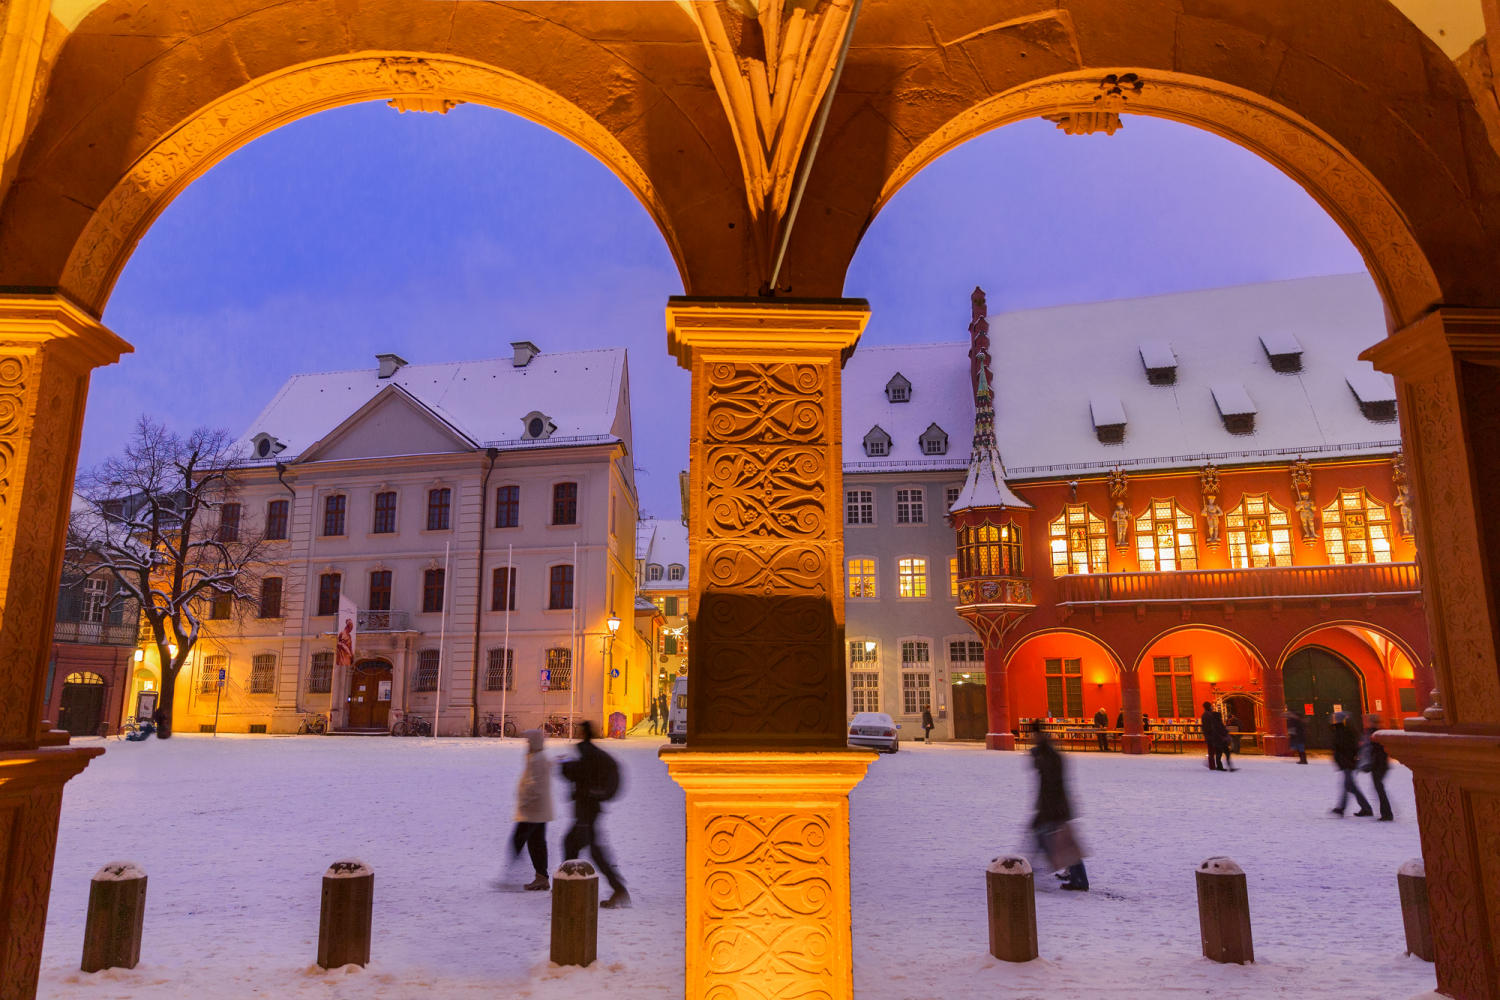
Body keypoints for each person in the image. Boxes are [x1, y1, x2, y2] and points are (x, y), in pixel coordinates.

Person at [561, 720, 630, 907]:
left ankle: (573, 889)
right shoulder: (590, 752)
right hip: (590, 809)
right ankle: (573, 886)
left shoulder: (588, 753)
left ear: (584, 733)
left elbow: (578, 774)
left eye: (580, 731)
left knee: (586, 849)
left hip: (587, 810)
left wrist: (564, 765)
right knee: (577, 846)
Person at [1030, 721, 1088, 891]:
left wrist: (1048, 809)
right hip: (1053, 805)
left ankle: (1080, 881)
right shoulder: (1047, 754)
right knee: (1058, 840)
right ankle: (1074, 875)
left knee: (1060, 842)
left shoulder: (1048, 756)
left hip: (1054, 806)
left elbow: (1051, 784)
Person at [510, 729, 553, 891]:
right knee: (536, 842)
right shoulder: (536, 757)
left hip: (533, 809)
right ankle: (541, 877)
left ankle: (513, 875)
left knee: (519, 840)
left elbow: (537, 787)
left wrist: (525, 801)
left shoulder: (538, 759)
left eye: (529, 741)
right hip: (537, 809)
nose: (527, 744)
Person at [1331, 712, 1374, 817]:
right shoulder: (1346, 730)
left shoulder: (1342, 731)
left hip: (1347, 762)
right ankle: (1343, 808)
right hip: (1348, 761)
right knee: (1348, 785)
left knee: (1349, 786)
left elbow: (1343, 747)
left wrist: (1344, 760)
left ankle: (1365, 808)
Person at [1361, 714, 1394, 821]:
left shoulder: (1372, 733)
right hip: (1381, 764)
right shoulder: (1380, 732)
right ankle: (1386, 812)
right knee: (1379, 788)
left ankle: (1387, 813)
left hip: (1377, 764)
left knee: (1379, 788)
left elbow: (1372, 750)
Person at [1201, 701, 1233, 771]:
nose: (1213, 707)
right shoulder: (1207, 715)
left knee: (1215, 751)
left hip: (1213, 736)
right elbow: (1209, 727)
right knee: (1213, 751)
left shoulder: (1207, 715)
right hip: (1212, 736)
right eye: (1211, 706)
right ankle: (1212, 765)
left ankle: (1214, 765)